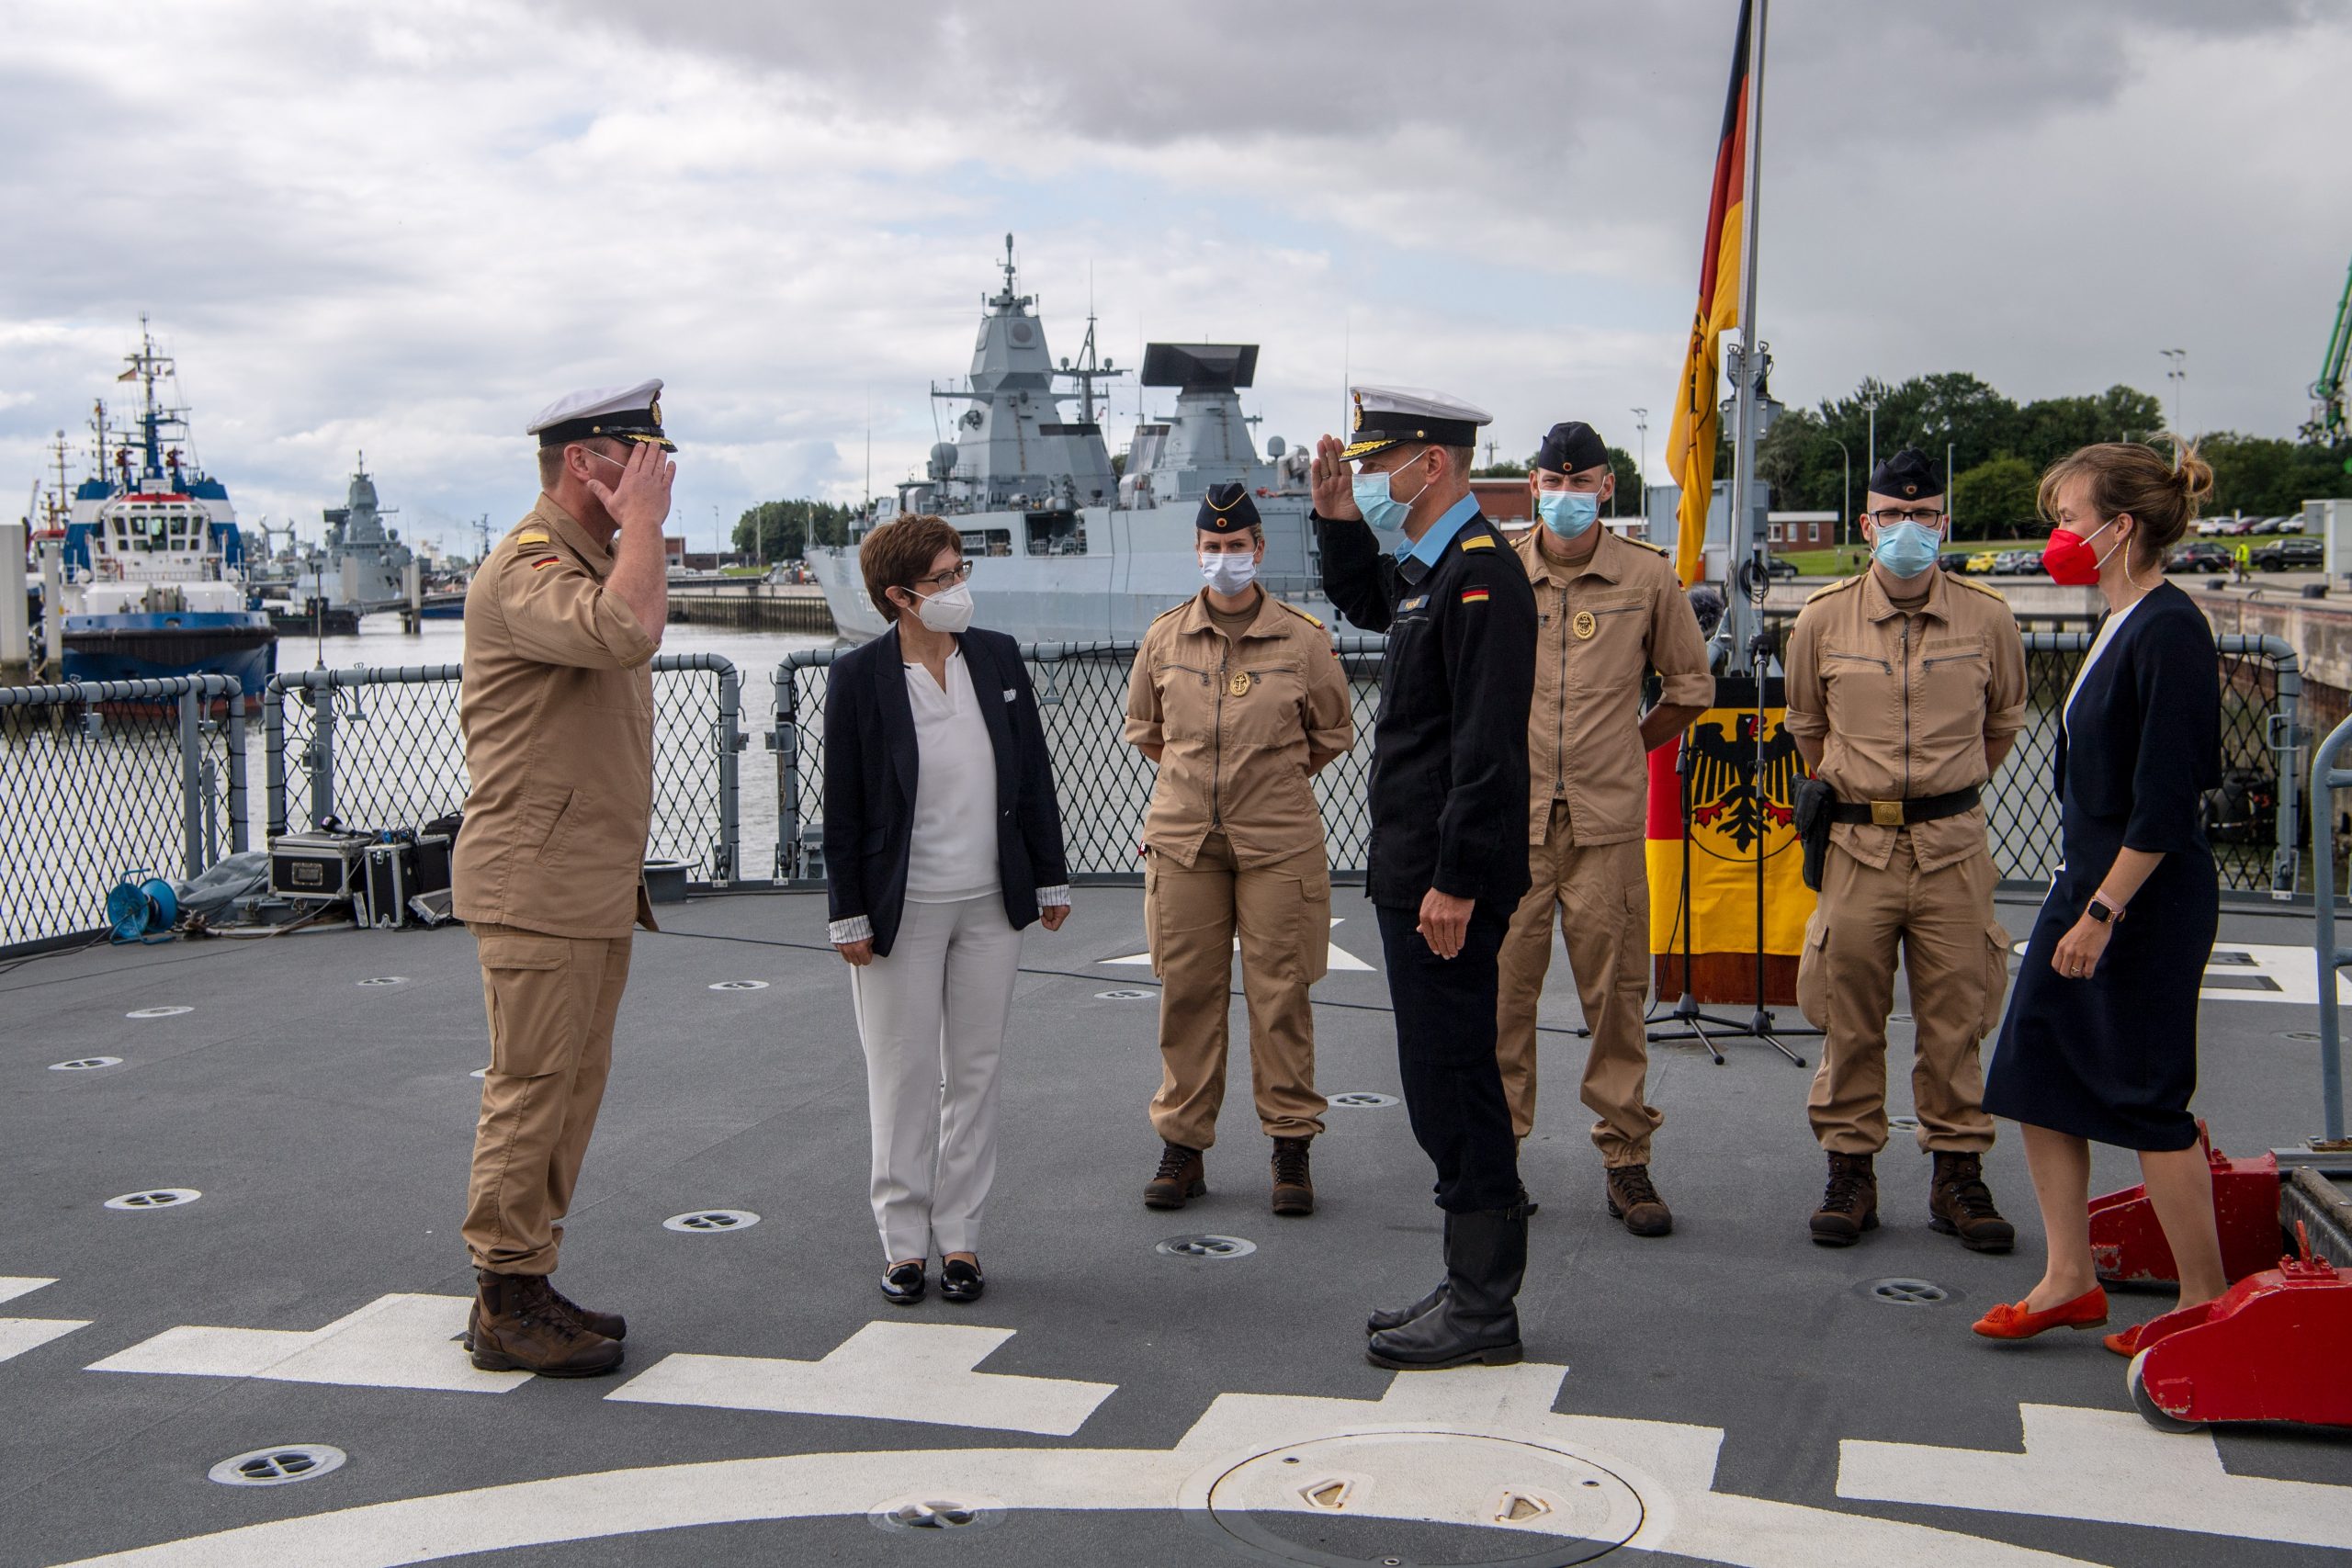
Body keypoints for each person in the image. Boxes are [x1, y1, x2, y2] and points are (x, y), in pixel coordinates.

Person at [1973, 441, 2225, 1351]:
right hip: (2082, 886)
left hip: (2138, 904)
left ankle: (2200, 1296)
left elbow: (2163, 799)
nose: (2057, 534)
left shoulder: (2169, 629)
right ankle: (2067, 1276)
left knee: (2150, 1091)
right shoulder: (2117, 620)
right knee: (2034, 1073)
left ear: (2121, 528)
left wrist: (2101, 914)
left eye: (2071, 517)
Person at [1312, 386, 1539, 1371]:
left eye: (1375, 467)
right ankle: (1468, 1280)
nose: (1367, 482)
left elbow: (1484, 751)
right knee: (1435, 1079)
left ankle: (1486, 1308)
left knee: (1453, 1082)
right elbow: (1370, 602)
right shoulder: (1434, 573)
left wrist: (1452, 879)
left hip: (1445, 882)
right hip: (1414, 873)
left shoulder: (1483, 577)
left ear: (1431, 463)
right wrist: (1329, 522)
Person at [453, 380, 674, 1377]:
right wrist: (647, 527)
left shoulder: (589, 561)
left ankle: (529, 1276)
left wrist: (633, 531)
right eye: (641, 453)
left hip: (584, 879)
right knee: (532, 1087)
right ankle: (504, 1297)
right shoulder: (527, 569)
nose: (661, 471)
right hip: (536, 883)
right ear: (587, 463)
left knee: (570, 1088)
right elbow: (625, 633)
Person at [822, 515, 1070, 1307]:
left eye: (962, 570)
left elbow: (1030, 771)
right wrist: (848, 913)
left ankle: (959, 1237)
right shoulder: (859, 678)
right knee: (901, 1076)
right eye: (943, 578)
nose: (959, 587)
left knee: (975, 1071)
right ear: (899, 596)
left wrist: (1050, 877)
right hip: (905, 905)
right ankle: (903, 1245)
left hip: (990, 902)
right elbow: (844, 811)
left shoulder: (994, 657)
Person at [1784, 449, 2027, 1254]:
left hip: (1953, 846)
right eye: (1893, 515)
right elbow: (1808, 729)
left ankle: (1957, 1171)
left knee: (1956, 1014)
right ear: (1867, 525)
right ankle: (1850, 1168)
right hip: (1857, 845)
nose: (1909, 529)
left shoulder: (1989, 617)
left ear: (1944, 525)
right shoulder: (1821, 617)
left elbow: (2002, 727)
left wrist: (1936, 796)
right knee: (1849, 1012)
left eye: (1924, 517)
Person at [1496, 422, 1712, 1235]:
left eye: (1581, 482)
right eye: (1555, 481)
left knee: (1618, 999)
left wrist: (1630, 743)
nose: (1567, 494)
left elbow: (1690, 686)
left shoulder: (1648, 578)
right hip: (1511, 826)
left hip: (1606, 822)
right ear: (1532, 485)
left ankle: (1627, 1160)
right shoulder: (1499, 571)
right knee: (1502, 1000)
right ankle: (1497, 1163)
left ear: (1606, 488)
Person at [1123, 484, 1354, 1215]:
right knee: (1186, 994)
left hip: (1277, 843)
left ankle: (1291, 1146)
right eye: (1213, 547)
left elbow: (1332, 731)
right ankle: (1183, 1146)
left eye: (1237, 546)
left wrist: (1267, 779)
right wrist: (1204, 784)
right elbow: (1146, 729)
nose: (1225, 559)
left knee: (1280, 994)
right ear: (1198, 551)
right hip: (1185, 841)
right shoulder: (1164, 637)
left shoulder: (1303, 639)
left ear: (1260, 549)